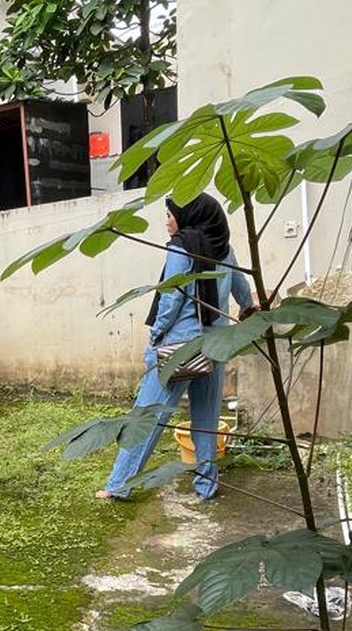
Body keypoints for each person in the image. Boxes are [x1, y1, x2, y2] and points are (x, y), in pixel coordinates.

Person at [97, 193, 254, 503]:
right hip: (215, 345)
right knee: (206, 420)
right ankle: (206, 488)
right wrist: (250, 309)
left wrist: (156, 335)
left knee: (146, 418)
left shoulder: (182, 246)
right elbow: (241, 291)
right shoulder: (225, 248)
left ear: (189, 215)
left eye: (171, 214)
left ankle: (119, 485)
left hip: (178, 346)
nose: (167, 221)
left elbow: (171, 297)